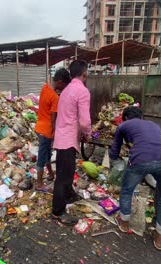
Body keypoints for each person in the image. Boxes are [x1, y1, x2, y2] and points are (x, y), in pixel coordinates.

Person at [110, 106, 161, 251]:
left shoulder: (123, 125)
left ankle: (124, 223)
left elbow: (115, 147)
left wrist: (114, 160)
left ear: (125, 117)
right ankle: (160, 239)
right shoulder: (153, 124)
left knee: (127, 191)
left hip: (141, 160)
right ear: (141, 117)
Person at [52, 60, 92, 225]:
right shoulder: (82, 91)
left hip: (63, 137)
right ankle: (58, 211)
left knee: (66, 172)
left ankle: (68, 195)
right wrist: (87, 133)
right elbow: (84, 121)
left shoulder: (67, 90)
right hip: (68, 139)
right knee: (63, 177)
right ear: (84, 74)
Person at [34, 68, 71, 192]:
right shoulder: (55, 97)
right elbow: (54, 119)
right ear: (60, 82)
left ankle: (50, 174)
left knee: (47, 153)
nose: (64, 88)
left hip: (39, 127)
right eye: (64, 85)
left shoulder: (45, 88)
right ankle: (39, 184)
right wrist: (56, 133)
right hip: (47, 131)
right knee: (42, 155)